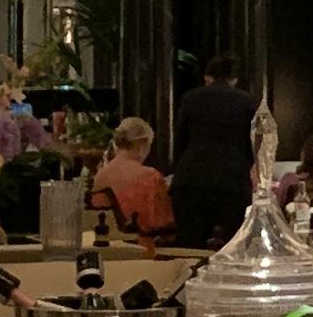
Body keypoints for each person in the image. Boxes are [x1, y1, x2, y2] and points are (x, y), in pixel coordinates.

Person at [167, 52, 257, 252]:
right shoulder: (247, 102)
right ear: (234, 79)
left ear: (208, 77)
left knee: (189, 248)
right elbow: (252, 145)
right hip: (232, 183)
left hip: (190, 180)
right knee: (231, 248)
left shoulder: (190, 98)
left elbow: (181, 140)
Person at [89, 117, 174, 239]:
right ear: (142, 144)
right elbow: (165, 226)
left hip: (110, 243)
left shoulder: (100, 176)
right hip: (143, 244)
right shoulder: (151, 176)